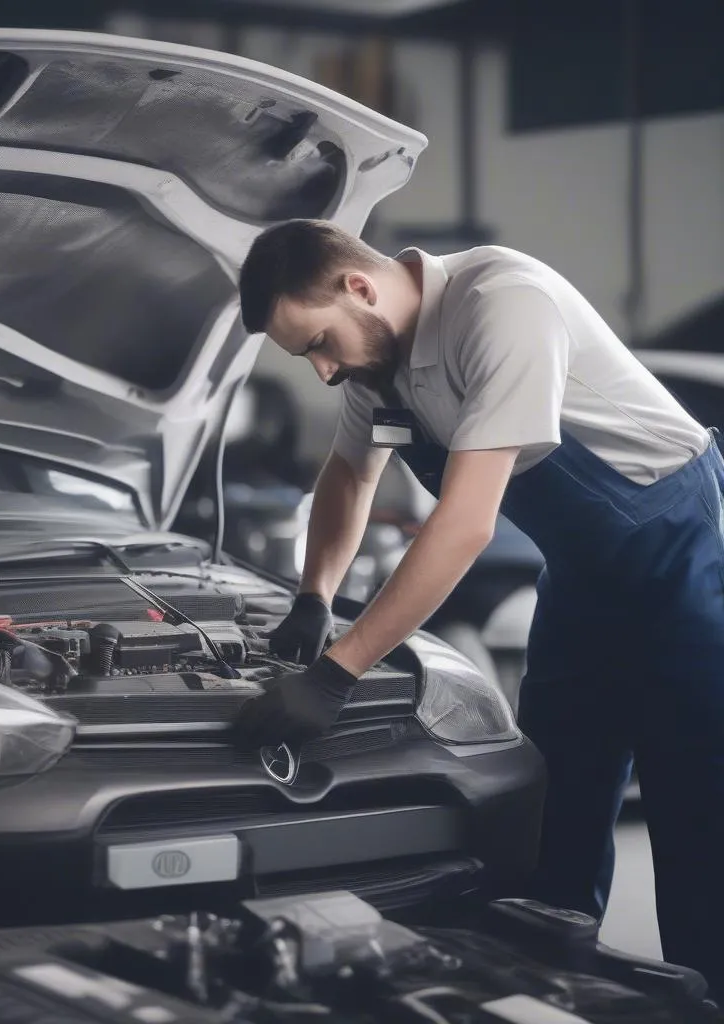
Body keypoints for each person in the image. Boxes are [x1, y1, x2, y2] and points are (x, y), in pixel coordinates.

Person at [230, 219, 724, 997]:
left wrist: (337, 673)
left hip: (682, 558)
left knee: (698, 816)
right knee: (554, 807)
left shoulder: (502, 306)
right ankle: (555, 1000)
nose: (323, 371)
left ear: (359, 288)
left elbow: (464, 525)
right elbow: (349, 477)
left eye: (320, 343)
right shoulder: (377, 363)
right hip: (585, 573)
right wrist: (312, 597)